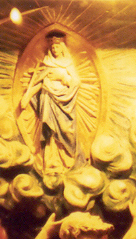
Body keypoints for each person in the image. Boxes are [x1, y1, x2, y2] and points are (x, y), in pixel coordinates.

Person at [20, 31, 82, 174]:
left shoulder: (67, 63)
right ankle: (51, 162)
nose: (54, 49)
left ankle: (67, 160)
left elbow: (76, 82)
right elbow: (39, 83)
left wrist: (62, 77)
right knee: (49, 131)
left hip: (65, 102)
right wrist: (27, 96)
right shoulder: (47, 63)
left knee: (65, 130)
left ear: (62, 47)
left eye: (57, 46)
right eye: (52, 47)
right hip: (48, 99)